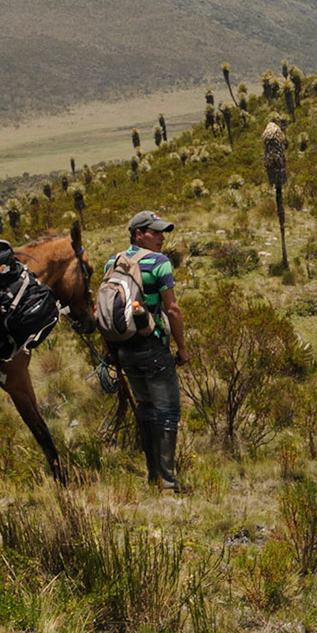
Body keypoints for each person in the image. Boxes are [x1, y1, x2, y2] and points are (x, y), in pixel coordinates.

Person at [105, 210, 188, 490]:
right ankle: (167, 478)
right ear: (139, 234)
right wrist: (182, 348)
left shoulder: (113, 261)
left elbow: (105, 308)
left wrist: (109, 350)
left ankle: (154, 476)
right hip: (153, 347)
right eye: (156, 232)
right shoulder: (159, 263)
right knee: (167, 412)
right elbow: (172, 309)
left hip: (124, 350)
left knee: (146, 409)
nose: (162, 238)